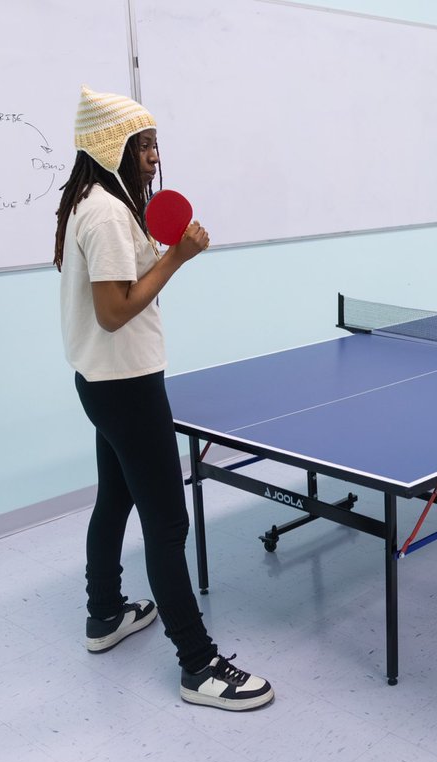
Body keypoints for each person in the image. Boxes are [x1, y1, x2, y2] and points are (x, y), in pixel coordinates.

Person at [54, 86, 273, 711]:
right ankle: (198, 665)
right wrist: (178, 256)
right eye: (142, 145)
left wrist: (165, 253)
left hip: (103, 382)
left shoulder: (95, 202)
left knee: (114, 501)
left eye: (154, 145)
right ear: (109, 147)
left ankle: (104, 616)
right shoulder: (104, 214)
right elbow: (115, 310)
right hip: (126, 386)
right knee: (168, 522)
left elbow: (113, 298)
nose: (153, 156)